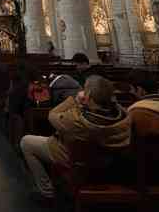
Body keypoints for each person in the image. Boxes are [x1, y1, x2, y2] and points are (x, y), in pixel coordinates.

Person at [21, 75, 130, 203]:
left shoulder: (78, 121)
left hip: (76, 161)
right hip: (106, 164)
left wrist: (74, 100)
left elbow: (53, 115)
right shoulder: (124, 116)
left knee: (26, 142)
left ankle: (47, 192)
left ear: (88, 96)